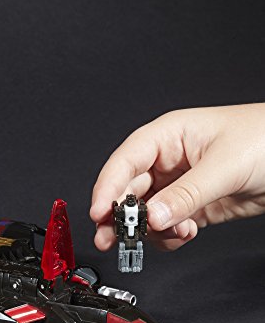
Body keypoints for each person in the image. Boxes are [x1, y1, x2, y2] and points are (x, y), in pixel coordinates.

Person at [90, 103, 265, 252]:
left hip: (134, 235)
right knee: (130, 248)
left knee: (135, 247)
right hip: (130, 237)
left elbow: (141, 217)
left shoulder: (139, 210)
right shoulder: (125, 212)